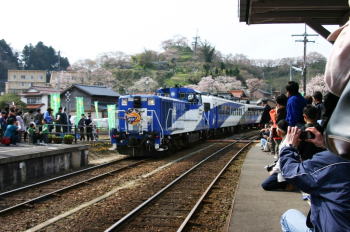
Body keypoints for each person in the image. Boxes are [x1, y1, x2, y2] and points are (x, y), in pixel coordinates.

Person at [279, 126, 350, 232]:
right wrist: (324, 145)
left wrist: (289, 146)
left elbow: (290, 172)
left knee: (287, 216)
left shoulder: (329, 160)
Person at [261, 120, 291, 191]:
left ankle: (287, 184)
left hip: (285, 171)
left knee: (265, 185)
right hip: (287, 168)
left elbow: (282, 161)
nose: (275, 130)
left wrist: (273, 171)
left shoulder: (285, 144)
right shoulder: (286, 139)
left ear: (280, 131)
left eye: (277, 128)